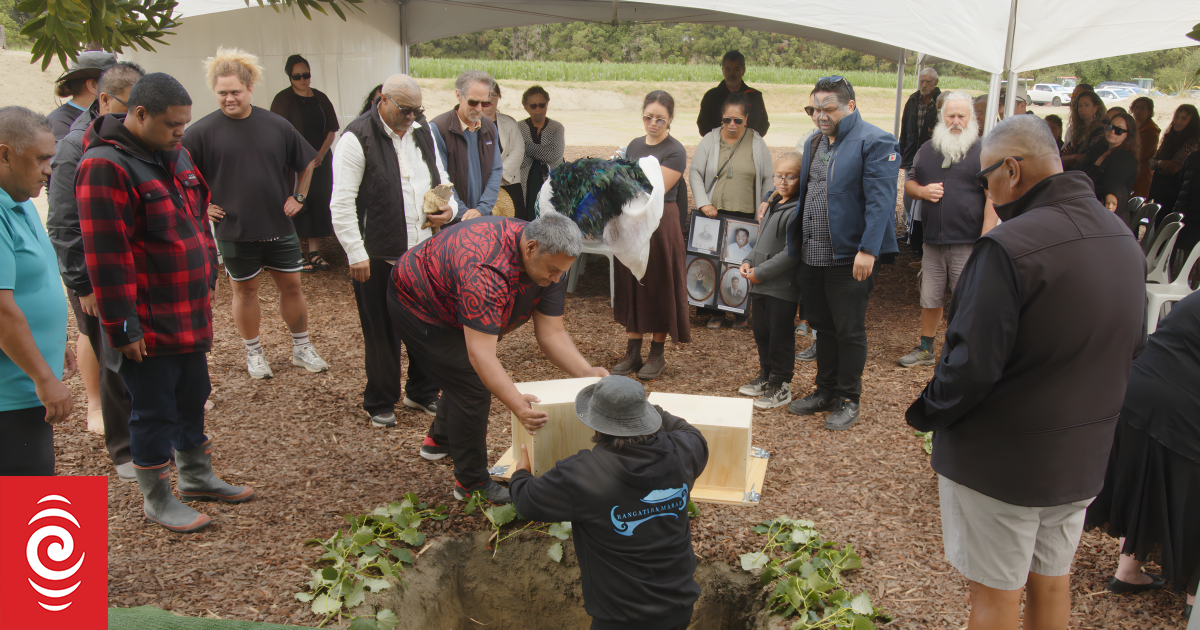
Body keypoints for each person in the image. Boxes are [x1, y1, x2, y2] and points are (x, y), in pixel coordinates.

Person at [906, 114, 1145, 630]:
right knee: (1052, 582)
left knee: (995, 597)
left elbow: (970, 365)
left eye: (985, 178)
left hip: (1004, 460)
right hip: (1082, 455)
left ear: (1011, 170)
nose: (986, 191)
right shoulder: (1122, 238)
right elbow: (1132, 345)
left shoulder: (1009, 248)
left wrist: (927, 412)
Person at [77, 73, 255, 532]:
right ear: (138, 115)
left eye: (184, 123)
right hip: (148, 319)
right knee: (153, 407)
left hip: (188, 311)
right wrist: (123, 327)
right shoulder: (105, 166)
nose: (181, 131)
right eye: (172, 123)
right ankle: (156, 497)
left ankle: (196, 476)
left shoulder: (175, 153)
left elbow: (198, 217)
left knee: (193, 395)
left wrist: (210, 268)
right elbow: (106, 255)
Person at [389, 213, 609, 502]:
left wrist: (586, 371)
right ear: (530, 248)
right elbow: (480, 354)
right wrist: (516, 402)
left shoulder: (552, 260)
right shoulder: (485, 269)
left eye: (562, 272)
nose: (557, 279)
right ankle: (471, 484)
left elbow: (552, 333)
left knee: (462, 375)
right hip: (420, 304)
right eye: (553, 270)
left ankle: (438, 440)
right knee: (472, 384)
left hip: (456, 297)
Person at [509, 375, 708, 630]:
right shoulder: (685, 450)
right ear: (648, 419)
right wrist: (642, 409)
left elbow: (526, 501)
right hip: (679, 607)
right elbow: (691, 432)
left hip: (620, 617)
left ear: (597, 427)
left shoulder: (582, 475)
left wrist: (521, 474)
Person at [183, 48, 329, 380]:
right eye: (222, 93)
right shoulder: (200, 132)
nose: (229, 98)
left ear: (250, 89)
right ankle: (254, 353)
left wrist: (300, 197)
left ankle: (301, 348)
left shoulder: (277, 125)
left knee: (292, 286)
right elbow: (180, 175)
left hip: (278, 226)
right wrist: (202, 206)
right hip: (234, 230)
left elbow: (308, 162)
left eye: (235, 91)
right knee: (244, 292)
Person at [330, 73, 455, 427]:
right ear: (382, 100)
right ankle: (381, 399)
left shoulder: (422, 130)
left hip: (424, 253)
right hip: (379, 256)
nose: (411, 117)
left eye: (418, 110)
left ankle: (422, 391)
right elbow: (341, 203)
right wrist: (356, 252)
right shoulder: (356, 138)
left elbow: (440, 177)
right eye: (405, 110)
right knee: (382, 331)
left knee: (427, 326)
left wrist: (450, 210)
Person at [46, 61, 144, 481]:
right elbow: (64, 224)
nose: (137, 115)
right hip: (92, 273)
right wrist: (82, 283)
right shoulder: (74, 147)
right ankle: (123, 448)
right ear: (104, 99)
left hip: (129, 266)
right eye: (130, 105)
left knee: (139, 353)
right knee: (112, 357)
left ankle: (150, 437)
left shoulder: (136, 136)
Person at [785, 76, 900, 431]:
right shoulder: (813, 143)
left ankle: (849, 399)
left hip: (851, 256)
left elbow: (881, 201)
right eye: (814, 108)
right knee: (823, 328)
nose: (820, 115)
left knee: (848, 330)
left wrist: (868, 249)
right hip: (813, 253)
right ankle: (825, 391)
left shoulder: (875, 141)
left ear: (850, 106)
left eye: (827, 108)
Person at [1084, 291, 1199, 622]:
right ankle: (1195, 596)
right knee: (1189, 498)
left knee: (1151, 482)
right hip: (1181, 411)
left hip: (1133, 395)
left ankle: (1129, 570)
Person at [0, 106, 76, 476]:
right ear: (4, 154)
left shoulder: (18, 200)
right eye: (42, 159)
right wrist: (44, 377)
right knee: (35, 514)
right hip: (9, 396)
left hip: (24, 388)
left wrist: (54, 338)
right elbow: (2, 311)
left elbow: (34, 282)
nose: (49, 169)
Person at [897, 91, 997, 368]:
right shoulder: (927, 150)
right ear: (941, 118)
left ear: (972, 119)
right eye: (950, 116)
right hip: (932, 240)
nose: (955, 121)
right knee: (930, 296)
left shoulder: (984, 151)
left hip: (968, 240)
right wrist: (922, 191)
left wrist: (986, 238)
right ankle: (926, 348)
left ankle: (964, 351)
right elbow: (909, 184)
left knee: (967, 298)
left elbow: (993, 198)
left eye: (961, 116)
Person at [611, 91, 691, 380]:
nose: (653, 123)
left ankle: (657, 353)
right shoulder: (633, 144)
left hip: (660, 221)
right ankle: (633, 351)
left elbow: (654, 188)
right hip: (631, 222)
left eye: (660, 119)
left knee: (658, 282)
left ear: (670, 119)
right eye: (648, 117)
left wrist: (620, 179)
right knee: (633, 280)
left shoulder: (676, 150)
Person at [688, 91, 773, 330]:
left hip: (746, 213)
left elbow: (768, 178)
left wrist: (764, 207)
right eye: (727, 119)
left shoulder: (757, 142)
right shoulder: (710, 139)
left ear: (746, 119)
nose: (732, 124)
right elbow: (695, 172)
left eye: (737, 120)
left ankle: (739, 313)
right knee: (711, 261)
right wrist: (704, 202)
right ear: (721, 119)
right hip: (713, 212)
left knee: (740, 262)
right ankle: (715, 313)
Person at [737, 153, 801, 409]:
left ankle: (781, 384)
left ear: (801, 178)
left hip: (781, 289)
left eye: (790, 176)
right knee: (762, 333)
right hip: (760, 285)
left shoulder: (797, 210)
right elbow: (761, 241)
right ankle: (766, 376)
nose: (783, 181)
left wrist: (760, 273)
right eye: (778, 175)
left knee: (779, 337)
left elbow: (791, 253)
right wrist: (748, 260)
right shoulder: (773, 203)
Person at [270, 54, 340, 271]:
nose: (302, 79)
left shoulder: (320, 98)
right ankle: (296, 252)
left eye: (306, 75)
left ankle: (314, 251)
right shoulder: (282, 100)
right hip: (294, 161)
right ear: (289, 77)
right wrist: (298, 156)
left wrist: (320, 153)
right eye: (297, 76)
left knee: (319, 201)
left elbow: (331, 129)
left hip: (320, 160)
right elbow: (277, 131)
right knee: (298, 202)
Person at [430, 70, 503, 222]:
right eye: (473, 102)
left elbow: (496, 170)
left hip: (483, 218)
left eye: (485, 103)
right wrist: (462, 212)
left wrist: (481, 209)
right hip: (452, 222)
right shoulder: (439, 128)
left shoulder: (490, 127)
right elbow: (440, 176)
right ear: (458, 95)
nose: (479, 108)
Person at [899, 68, 942, 254]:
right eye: (922, 81)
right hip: (911, 153)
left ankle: (922, 232)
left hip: (931, 156)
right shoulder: (912, 100)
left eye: (928, 82)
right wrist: (901, 154)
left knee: (926, 196)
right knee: (909, 196)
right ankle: (910, 229)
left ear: (936, 83)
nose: (924, 85)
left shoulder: (940, 102)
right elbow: (904, 128)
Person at [1083, 111, 1140, 225]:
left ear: (1128, 134)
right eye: (1110, 126)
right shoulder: (1101, 149)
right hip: (1090, 207)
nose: (1112, 131)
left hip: (1108, 218)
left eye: (1119, 130)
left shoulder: (1125, 159)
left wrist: (1080, 187)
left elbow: (1106, 189)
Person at [696, 50, 770, 138]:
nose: (731, 73)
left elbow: (763, 125)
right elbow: (703, 127)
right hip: (717, 148)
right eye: (728, 69)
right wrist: (725, 139)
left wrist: (745, 139)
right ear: (723, 70)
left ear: (743, 70)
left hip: (748, 147)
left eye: (736, 69)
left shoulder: (755, 96)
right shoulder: (711, 96)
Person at [518, 86, 565, 220]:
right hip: (526, 182)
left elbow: (553, 154)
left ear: (547, 104)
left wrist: (525, 146)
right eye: (533, 106)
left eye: (541, 105)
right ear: (526, 107)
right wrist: (540, 151)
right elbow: (518, 158)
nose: (538, 109)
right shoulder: (518, 128)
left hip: (552, 181)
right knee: (527, 220)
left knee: (551, 218)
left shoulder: (557, 128)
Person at [47, 51, 117, 141]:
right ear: (93, 85)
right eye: (115, 81)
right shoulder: (59, 122)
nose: (120, 86)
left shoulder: (106, 113)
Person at [1148, 104, 1200, 216]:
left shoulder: (1193, 143)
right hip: (1161, 191)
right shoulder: (1169, 137)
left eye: (1184, 118)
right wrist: (1161, 163)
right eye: (1177, 117)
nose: (1178, 121)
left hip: (1177, 195)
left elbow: (1172, 169)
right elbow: (1151, 162)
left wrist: (1159, 165)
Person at [483, 83, 526, 214]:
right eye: (486, 95)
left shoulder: (510, 122)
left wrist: (500, 173)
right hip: (482, 186)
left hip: (509, 183)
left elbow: (518, 150)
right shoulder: (471, 123)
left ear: (499, 96)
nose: (489, 99)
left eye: (493, 95)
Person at [1061, 91, 1107, 170]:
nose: (1082, 109)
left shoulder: (1100, 130)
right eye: (1080, 106)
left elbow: (1087, 159)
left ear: (1096, 107)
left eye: (1086, 105)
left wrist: (1071, 158)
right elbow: (1061, 157)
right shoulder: (1078, 130)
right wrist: (1073, 157)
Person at [1130, 96, 1160, 199]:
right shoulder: (1133, 126)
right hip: (1132, 172)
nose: (1137, 110)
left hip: (1141, 175)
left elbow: (1143, 154)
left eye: (1142, 108)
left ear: (1149, 112)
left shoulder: (1151, 130)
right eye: (1136, 107)